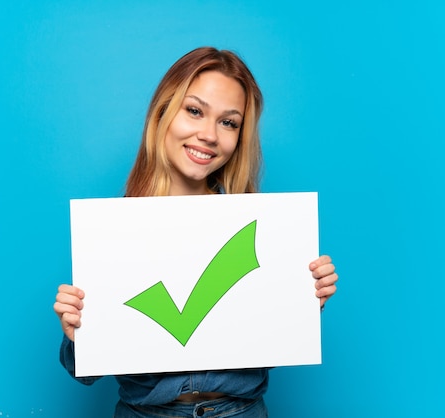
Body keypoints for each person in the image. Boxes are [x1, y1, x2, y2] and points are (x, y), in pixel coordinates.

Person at [53, 46, 339, 417]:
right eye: (195, 111)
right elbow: (82, 373)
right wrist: (77, 333)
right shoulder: (111, 233)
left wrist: (301, 300)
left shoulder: (263, 232)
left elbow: (268, 336)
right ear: (163, 113)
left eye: (229, 122)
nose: (209, 134)